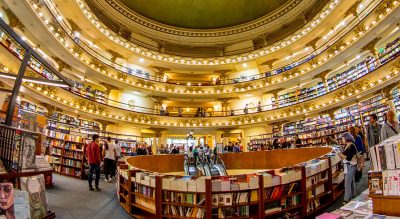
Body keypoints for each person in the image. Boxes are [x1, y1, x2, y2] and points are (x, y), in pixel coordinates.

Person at [339, 132, 358, 204]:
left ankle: (346, 199)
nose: (342, 140)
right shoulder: (346, 146)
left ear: (346, 138)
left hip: (352, 165)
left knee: (347, 182)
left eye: (343, 138)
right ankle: (352, 195)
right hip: (348, 166)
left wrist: (340, 154)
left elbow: (349, 158)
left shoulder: (351, 146)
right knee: (351, 181)